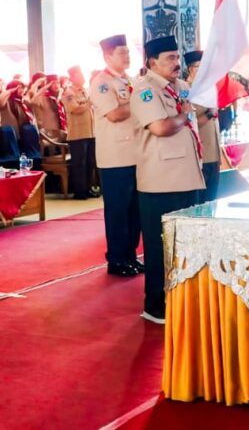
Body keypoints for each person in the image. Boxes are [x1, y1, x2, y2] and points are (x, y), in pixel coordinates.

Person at [130, 35, 205, 324]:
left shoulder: (182, 88)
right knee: (159, 246)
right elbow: (161, 127)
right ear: (152, 63)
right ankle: (156, 306)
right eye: (170, 59)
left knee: (187, 245)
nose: (177, 63)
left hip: (188, 175)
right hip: (160, 181)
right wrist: (185, 117)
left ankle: (182, 298)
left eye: (177, 57)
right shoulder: (144, 91)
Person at [90, 35, 143, 278]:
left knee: (135, 210)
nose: (127, 56)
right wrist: (141, 102)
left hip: (137, 153)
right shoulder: (101, 82)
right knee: (118, 210)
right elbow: (114, 114)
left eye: (127, 52)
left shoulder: (131, 81)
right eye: (121, 53)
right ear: (107, 56)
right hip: (115, 156)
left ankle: (130, 256)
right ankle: (117, 260)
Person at [185, 50, 221, 201]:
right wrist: (209, 113)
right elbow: (188, 123)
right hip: (200, 155)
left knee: (212, 199)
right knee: (201, 201)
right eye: (200, 67)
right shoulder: (187, 91)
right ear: (191, 69)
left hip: (214, 154)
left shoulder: (209, 90)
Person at [62, 66, 96, 200]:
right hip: (78, 134)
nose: (83, 78)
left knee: (89, 162)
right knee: (79, 164)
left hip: (90, 132)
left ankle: (87, 188)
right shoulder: (69, 92)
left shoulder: (85, 91)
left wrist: (88, 102)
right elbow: (74, 108)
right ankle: (79, 191)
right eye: (79, 75)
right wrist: (89, 103)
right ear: (72, 78)